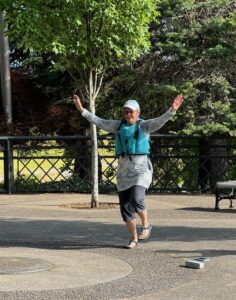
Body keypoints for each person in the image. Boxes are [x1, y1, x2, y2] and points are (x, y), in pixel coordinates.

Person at [73, 94, 183, 248]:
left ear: (138, 113)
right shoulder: (118, 126)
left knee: (136, 198)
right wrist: (82, 110)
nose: (128, 114)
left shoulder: (144, 126)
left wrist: (172, 110)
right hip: (124, 171)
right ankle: (133, 238)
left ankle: (146, 224)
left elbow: (160, 121)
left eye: (131, 111)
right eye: (126, 112)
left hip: (141, 169)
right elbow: (98, 121)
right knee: (125, 207)